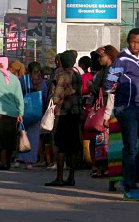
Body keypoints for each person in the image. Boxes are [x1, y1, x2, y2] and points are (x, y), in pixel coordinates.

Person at [103, 28, 139, 201]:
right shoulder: (121, 60)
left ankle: (134, 177)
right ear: (128, 41)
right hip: (125, 108)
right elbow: (108, 83)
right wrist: (115, 87)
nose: (136, 45)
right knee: (131, 146)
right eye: (133, 41)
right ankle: (129, 184)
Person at [45, 51, 82, 187]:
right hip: (76, 113)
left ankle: (59, 177)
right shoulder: (78, 76)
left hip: (63, 114)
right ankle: (71, 177)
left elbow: (56, 98)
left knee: (60, 146)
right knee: (72, 147)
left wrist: (64, 93)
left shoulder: (62, 76)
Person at [87, 45, 120, 178]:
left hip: (106, 109)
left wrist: (90, 86)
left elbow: (105, 92)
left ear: (109, 57)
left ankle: (104, 167)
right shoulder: (112, 70)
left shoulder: (108, 72)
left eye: (101, 57)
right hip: (110, 109)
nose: (99, 59)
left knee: (102, 141)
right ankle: (107, 168)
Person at [16, 62, 48, 169]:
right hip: (37, 111)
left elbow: (17, 94)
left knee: (21, 134)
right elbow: (44, 96)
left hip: (23, 111)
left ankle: (20, 158)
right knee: (34, 137)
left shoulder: (22, 80)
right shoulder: (41, 82)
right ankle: (30, 161)